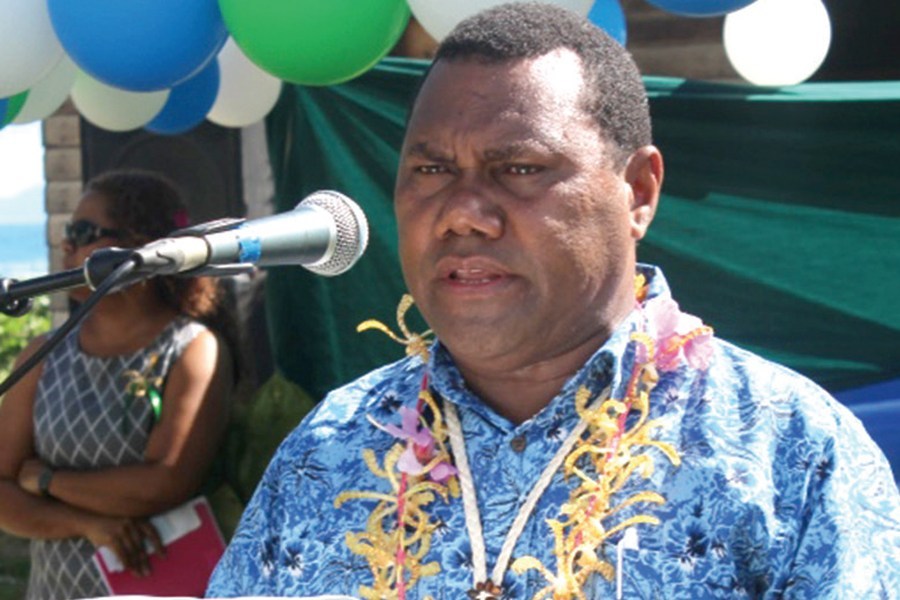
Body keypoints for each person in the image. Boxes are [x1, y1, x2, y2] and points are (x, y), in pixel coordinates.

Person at [206, 3, 900, 599]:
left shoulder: (788, 450)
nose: (463, 213)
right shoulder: (332, 449)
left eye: (520, 169)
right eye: (431, 170)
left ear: (639, 192)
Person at [0, 169, 234, 599]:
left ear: (139, 244)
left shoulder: (193, 349)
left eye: (83, 231)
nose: (67, 245)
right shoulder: (43, 353)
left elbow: (163, 485)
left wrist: (47, 481)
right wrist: (88, 524)